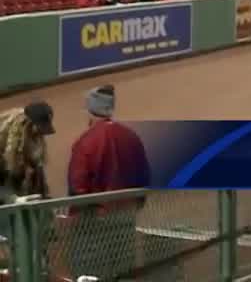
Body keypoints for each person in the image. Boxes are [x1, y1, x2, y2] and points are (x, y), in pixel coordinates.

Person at [66, 85, 152, 282]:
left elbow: (78, 185)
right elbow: (144, 176)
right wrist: (135, 205)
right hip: (125, 217)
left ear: (90, 110)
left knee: (90, 274)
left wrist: (78, 217)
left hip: (93, 222)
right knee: (122, 273)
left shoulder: (85, 142)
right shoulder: (132, 137)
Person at [0, 101, 54, 204]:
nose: (39, 137)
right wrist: (12, 199)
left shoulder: (31, 148)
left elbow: (39, 179)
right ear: (25, 127)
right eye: (36, 132)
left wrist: (46, 199)